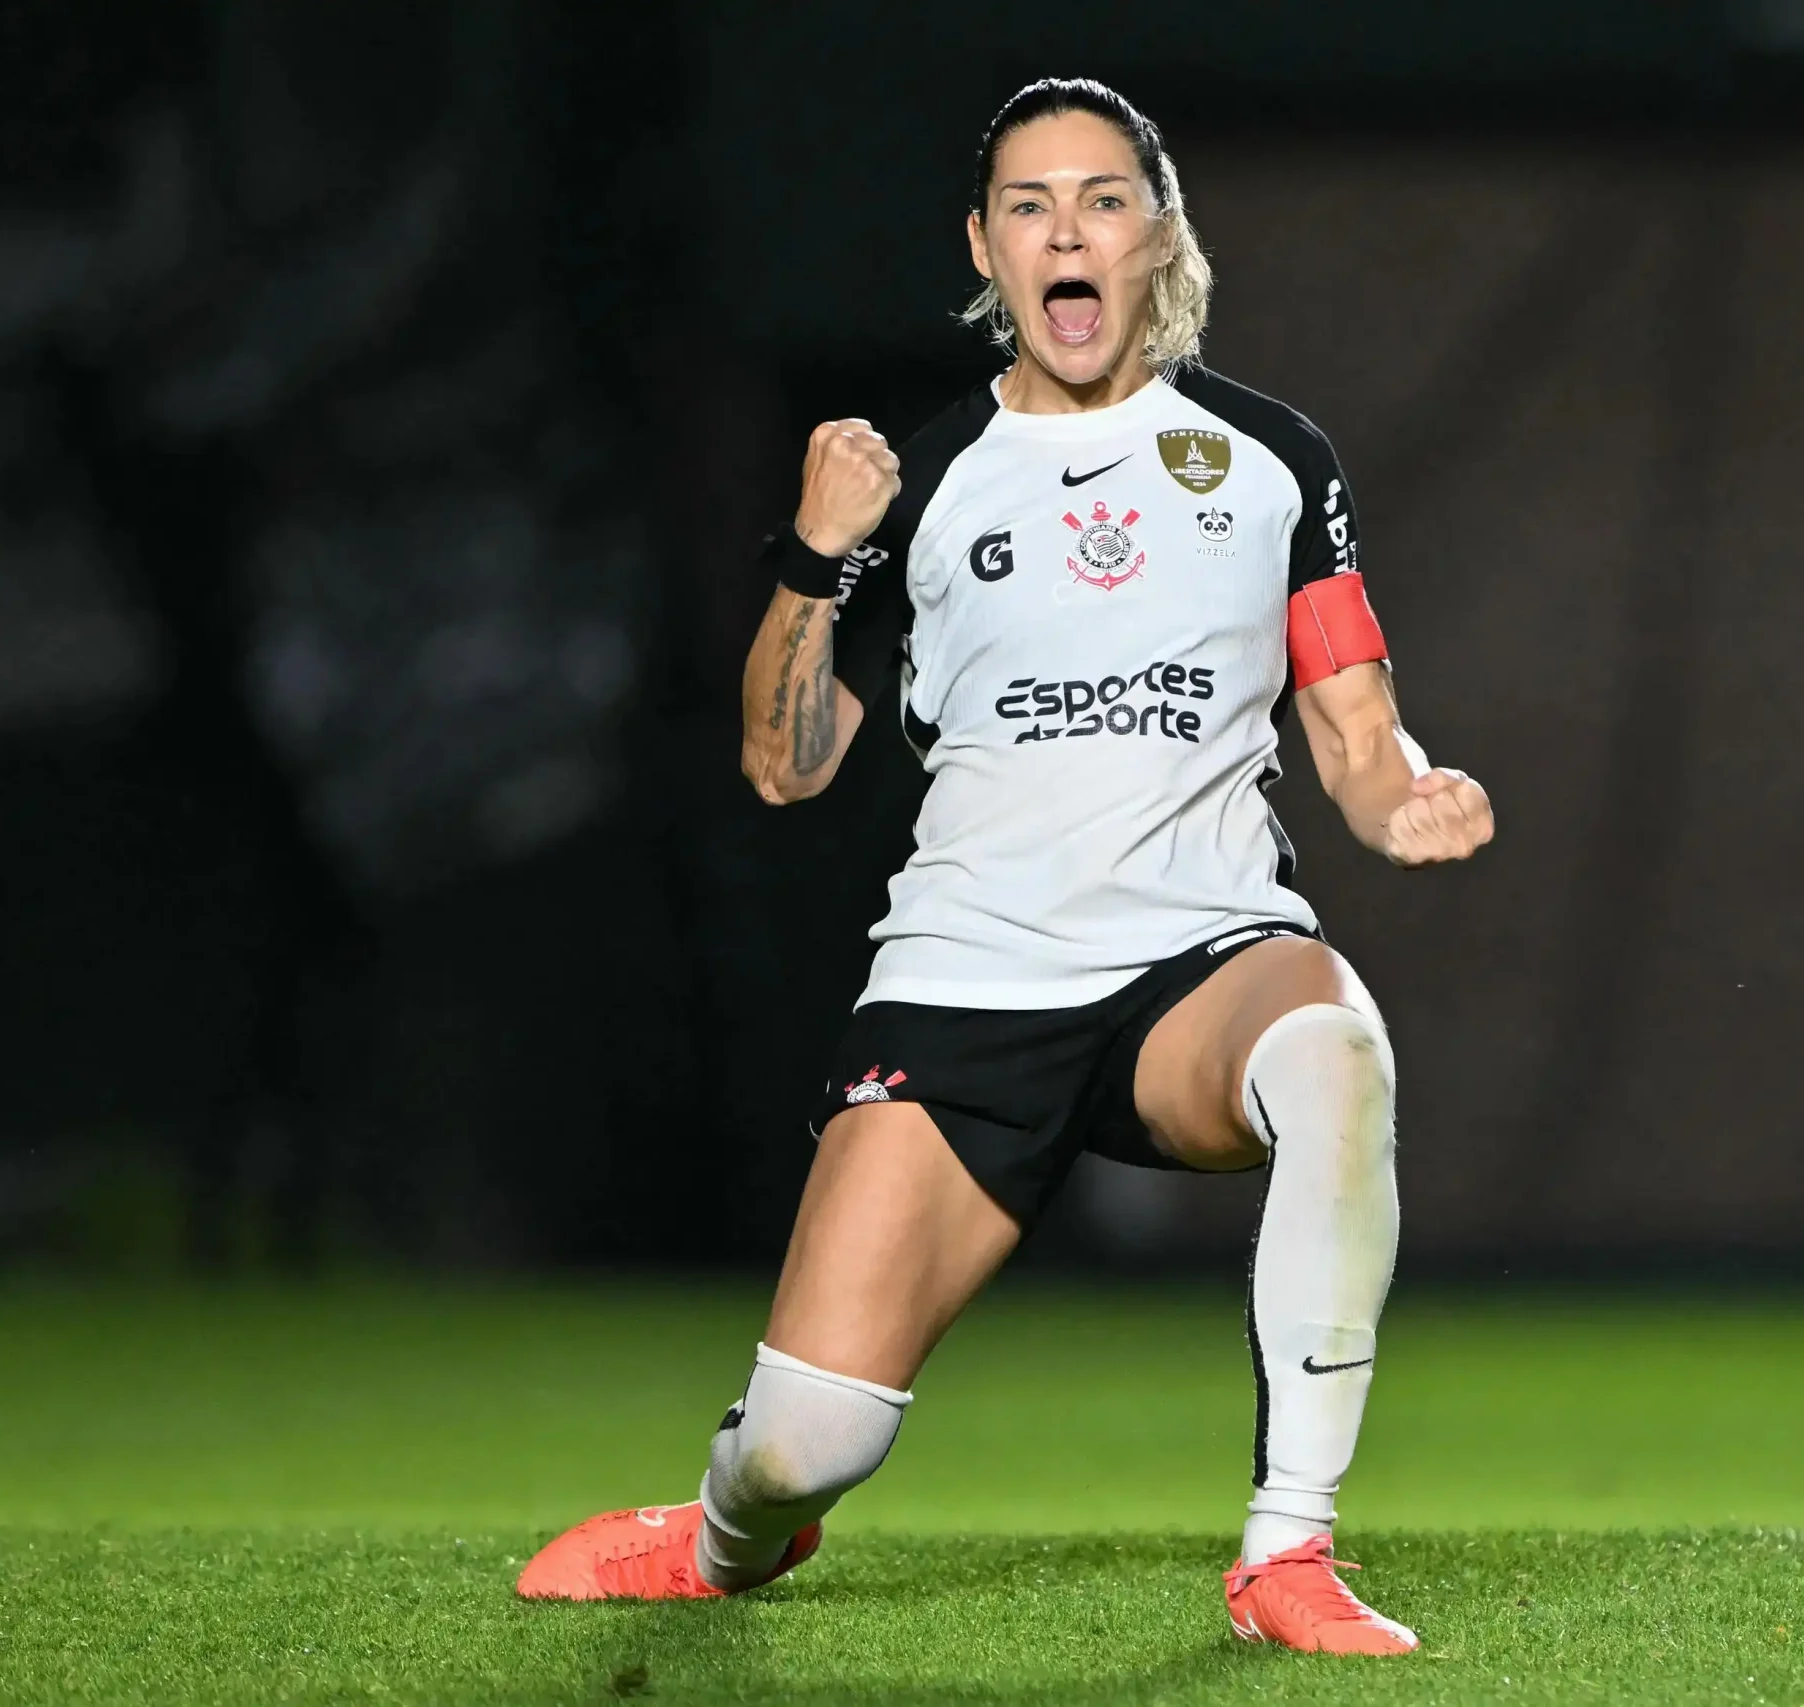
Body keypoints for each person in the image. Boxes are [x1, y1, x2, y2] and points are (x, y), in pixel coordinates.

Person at [516, 78, 1493, 1656]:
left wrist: (1405, 800)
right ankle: (714, 1534)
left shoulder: (1271, 459)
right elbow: (785, 762)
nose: (1068, 232)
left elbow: (1356, 730)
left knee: (1334, 1048)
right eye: (1030, 206)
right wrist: (815, 553)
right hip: (969, 983)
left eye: (1104, 199)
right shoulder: (927, 480)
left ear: (1157, 233)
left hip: (1198, 963)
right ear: (986, 247)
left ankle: (1287, 1548)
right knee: (801, 1449)